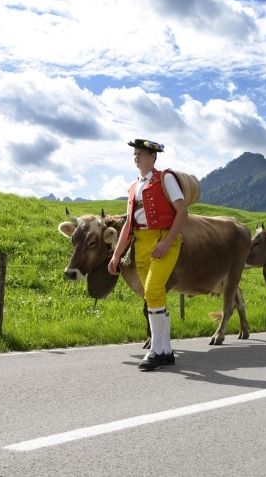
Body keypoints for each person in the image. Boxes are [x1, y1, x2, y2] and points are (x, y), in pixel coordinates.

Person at [108, 139, 187, 370]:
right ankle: (166, 351)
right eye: (135, 153)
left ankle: (155, 350)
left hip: (163, 240)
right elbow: (127, 225)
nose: (137, 156)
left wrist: (167, 241)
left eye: (142, 153)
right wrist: (116, 256)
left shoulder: (166, 178)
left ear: (154, 157)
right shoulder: (133, 187)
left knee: (153, 290)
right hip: (140, 243)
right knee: (152, 296)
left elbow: (182, 211)